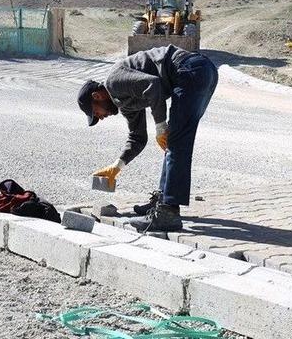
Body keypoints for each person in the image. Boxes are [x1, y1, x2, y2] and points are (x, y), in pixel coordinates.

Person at [77, 45, 218, 232]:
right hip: (198, 73)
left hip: (190, 69)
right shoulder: (123, 102)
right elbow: (138, 137)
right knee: (174, 142)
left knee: (176, 141)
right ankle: (163, 201)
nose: (101, 117)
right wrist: (117, 166)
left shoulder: (114, 82)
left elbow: (154, 85)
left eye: (96, 113)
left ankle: (167, 214)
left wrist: (160, 125)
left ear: (97, 96)